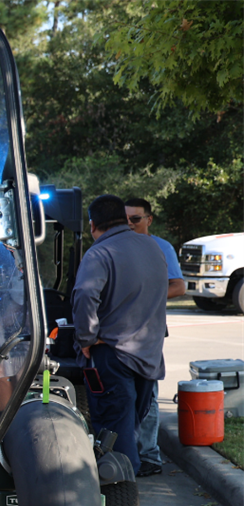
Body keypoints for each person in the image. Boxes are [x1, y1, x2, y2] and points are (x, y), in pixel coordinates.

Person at [72, 194, 167, 476]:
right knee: (130, 425)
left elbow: (86, 293)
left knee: (114, 430)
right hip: (149, 356)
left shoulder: (100, 253)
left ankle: (121, 501)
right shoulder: (153, 248)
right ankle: (128, 484)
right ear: (125, 220)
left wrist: (86, 338)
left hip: (112, 356)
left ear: (92, 225)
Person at [126, 197, 184, 477]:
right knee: (125, 394)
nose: (130, 224)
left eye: (135, 219)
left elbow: (179, 286)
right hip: (118, 332)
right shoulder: (116, 247)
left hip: (149, 331)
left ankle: (149, 455)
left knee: (147, 393)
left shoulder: (161, 248)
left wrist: (144, 298)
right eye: (124, 219)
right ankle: (127, 452)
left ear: (149, 220)